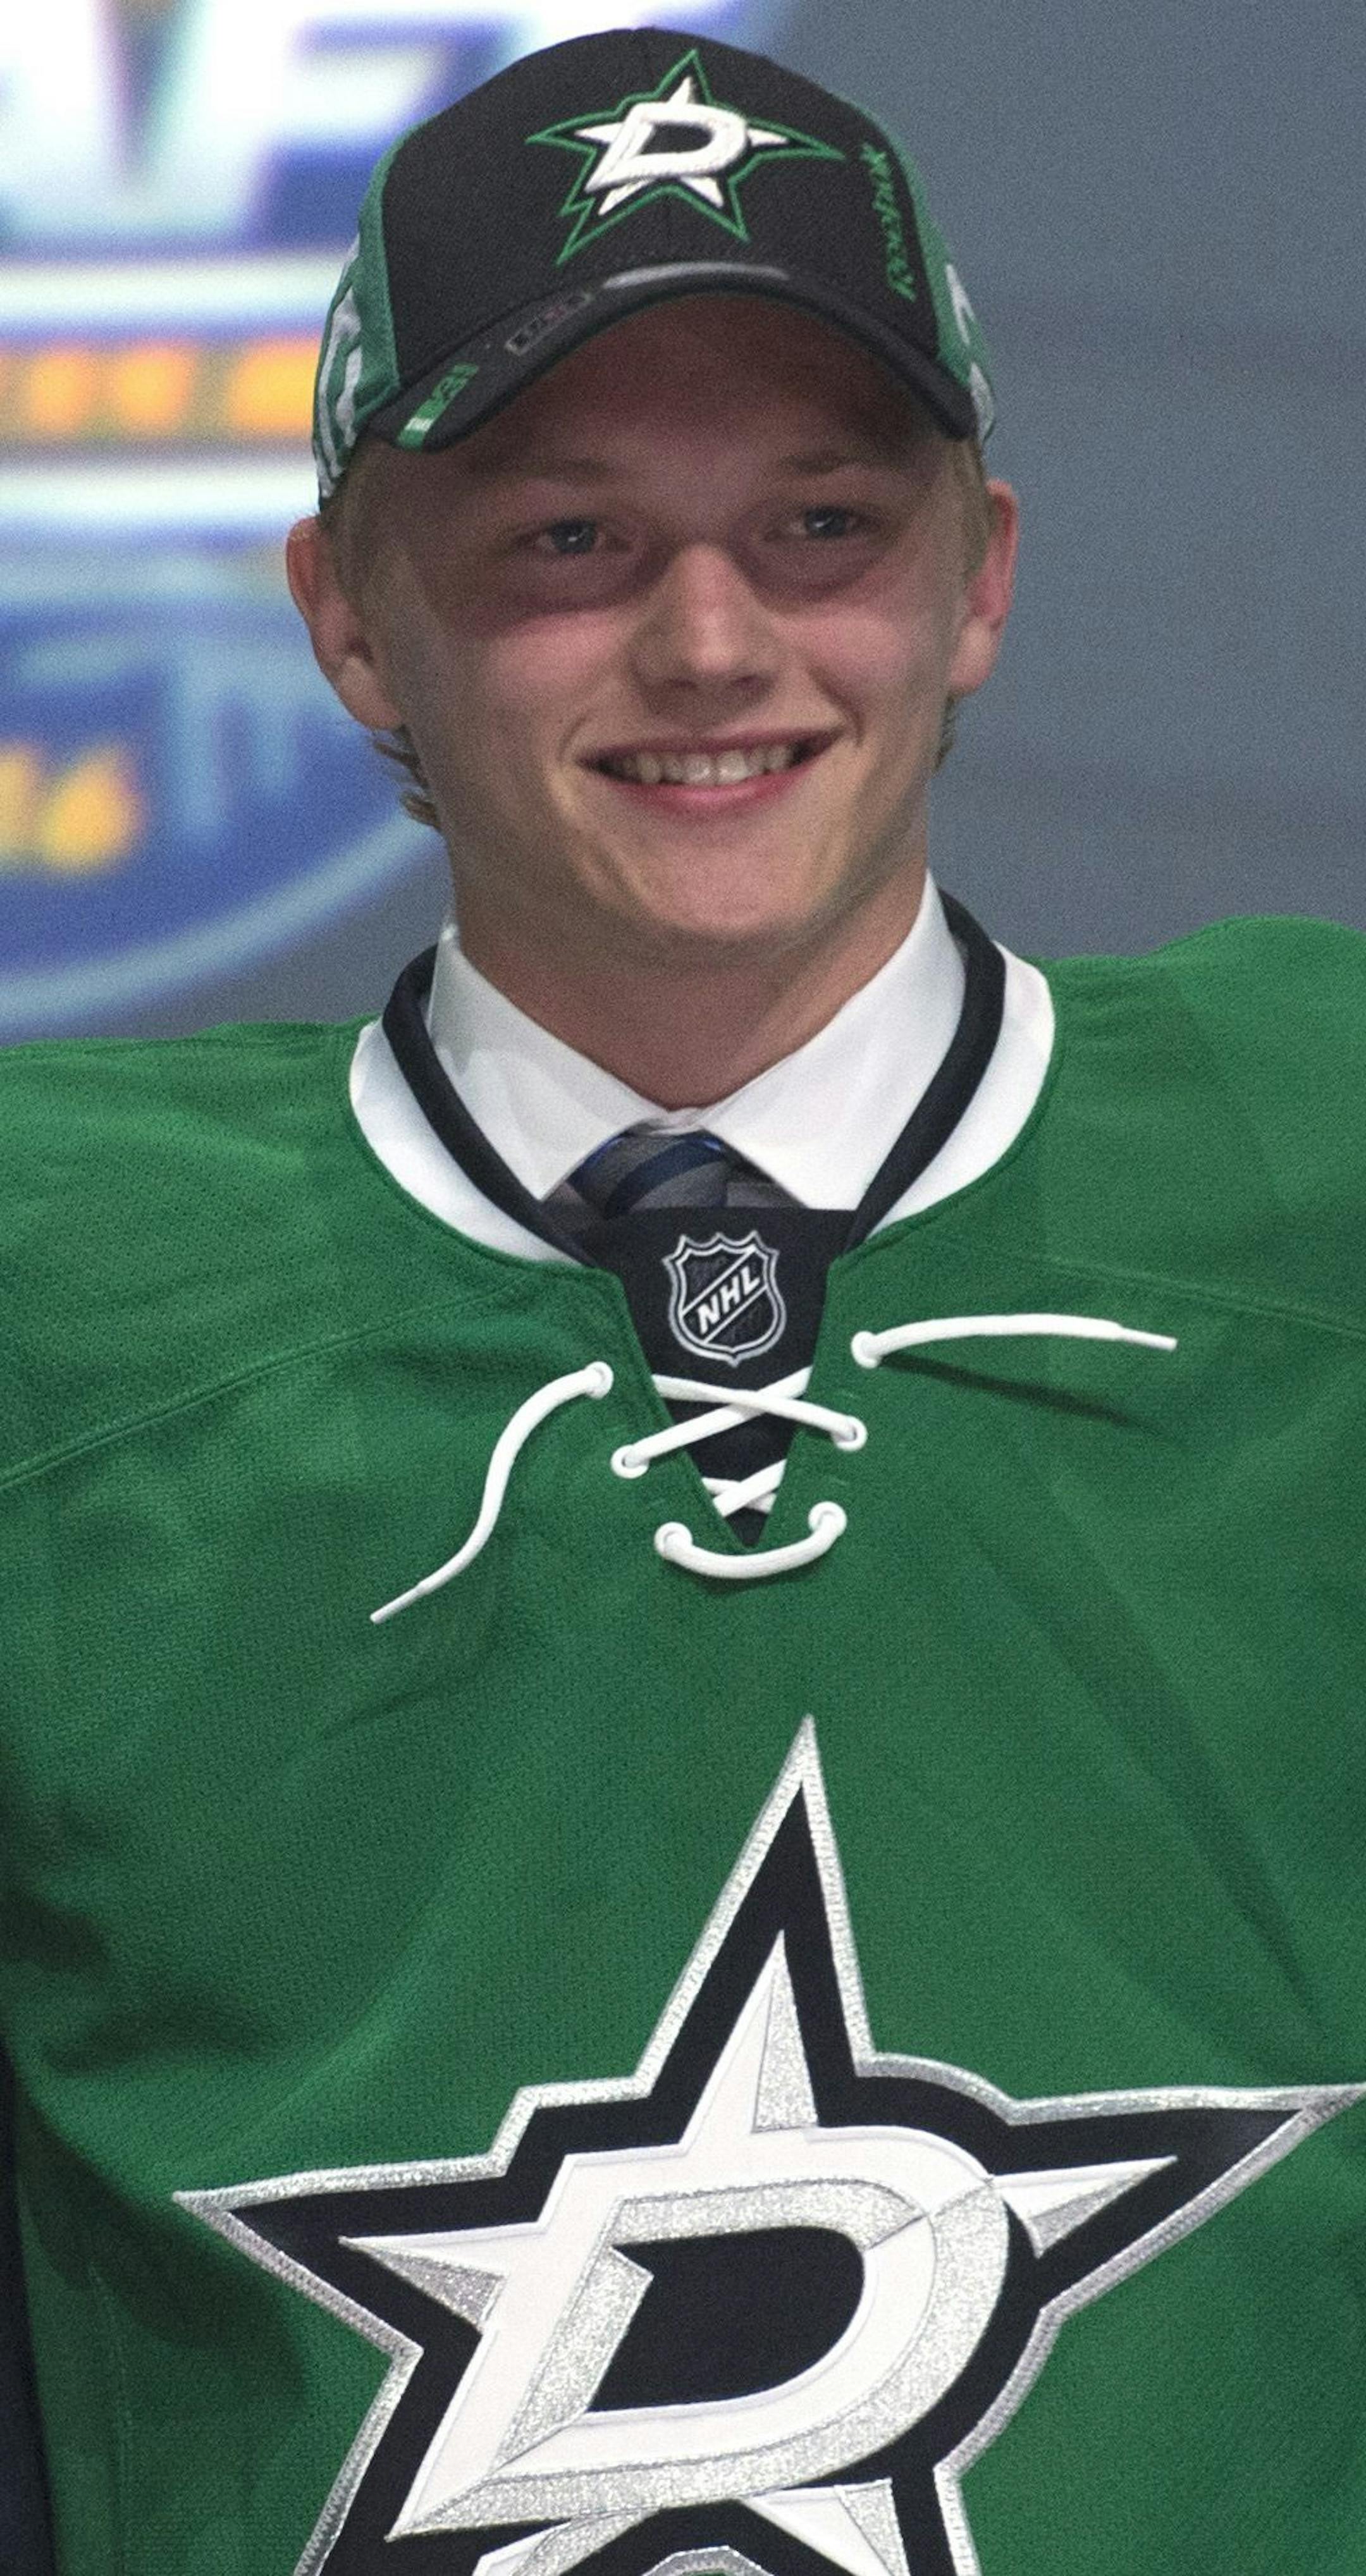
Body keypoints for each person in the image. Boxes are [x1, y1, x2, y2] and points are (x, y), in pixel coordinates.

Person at [2, 25, 1363, 2576]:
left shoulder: (1328, 1171)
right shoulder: (55, 1292)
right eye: (567, 545)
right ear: (351, 620)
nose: (714, 639)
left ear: (982, 573)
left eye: (824, 522)